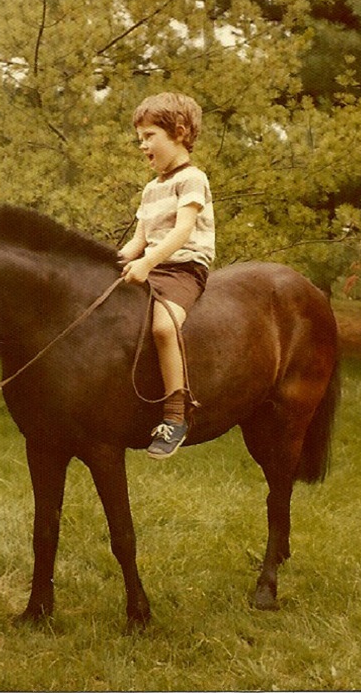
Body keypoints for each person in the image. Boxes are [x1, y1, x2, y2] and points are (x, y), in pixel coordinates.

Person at [119, 92, 215, 459]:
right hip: (153, 265)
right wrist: (115, 260)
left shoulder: (192, 179)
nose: (142, 145)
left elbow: (182, 232)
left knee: (163, 327)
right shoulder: (151, 188)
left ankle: (177, 415)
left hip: (184, 268)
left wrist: (146, 262)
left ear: (178, 132)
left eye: (149, 136)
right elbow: (139, 240)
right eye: (140, 138)